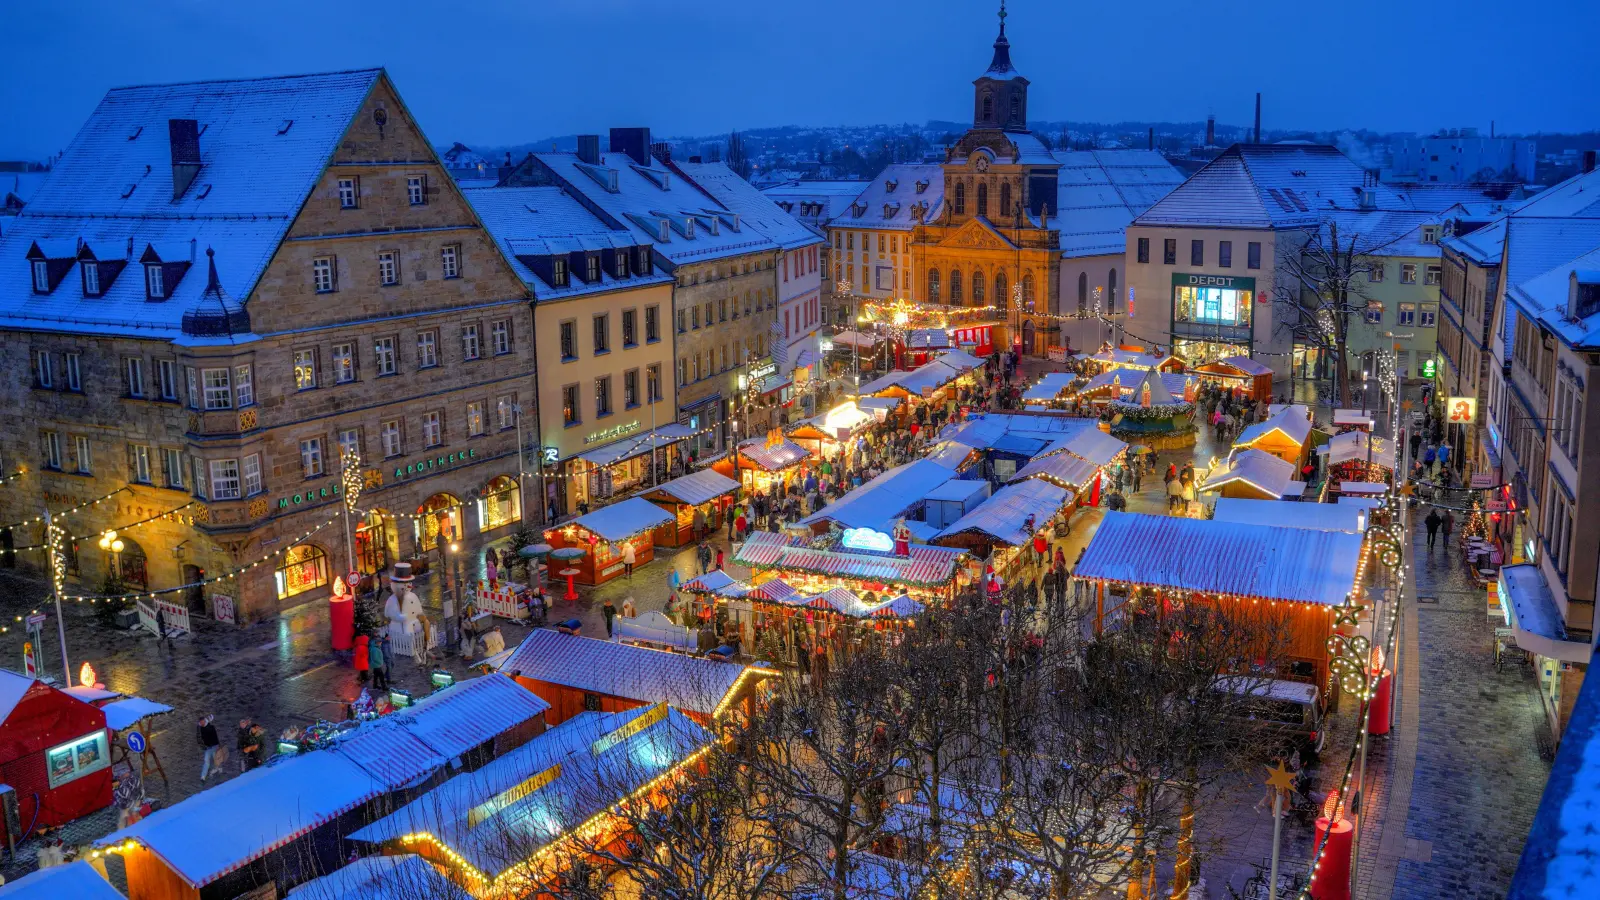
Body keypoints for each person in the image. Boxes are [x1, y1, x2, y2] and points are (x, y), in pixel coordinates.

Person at [197, 715, 221, 781]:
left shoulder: (211, 727)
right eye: (200, 722)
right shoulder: (201, 728)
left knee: (215, 760)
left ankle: (218, 769)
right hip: (208, 747)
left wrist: (218, 746)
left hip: (214, 746)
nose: (201, 723)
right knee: (206, 761)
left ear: (205, 721)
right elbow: (202, 737)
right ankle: (203, 776)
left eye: (202, 722)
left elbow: (213, 734)